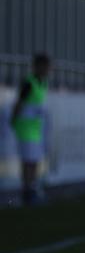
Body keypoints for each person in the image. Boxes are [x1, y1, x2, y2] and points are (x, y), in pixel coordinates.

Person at [10, 54, 51, 205]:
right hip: (25, 128)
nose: (48, 70)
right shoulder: (29, 83)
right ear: (38, 66)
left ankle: (32, 188)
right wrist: (14, 121)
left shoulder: (43, 83)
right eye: (45, 66)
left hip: (36, 128)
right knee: (28, 161)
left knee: (34, 161)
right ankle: (27, 190)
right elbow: (18, 103)